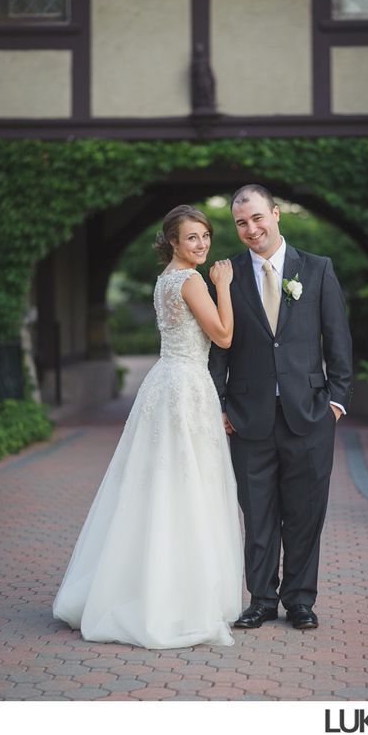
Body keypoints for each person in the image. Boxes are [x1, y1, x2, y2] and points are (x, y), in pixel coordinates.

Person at [52, 205, 243, 648]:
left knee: (153, 484)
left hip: (166, 382)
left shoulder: (165, 281)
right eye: (191, 237)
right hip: (185, 387)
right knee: (186, 485)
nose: (201, 244)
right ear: (172, 242)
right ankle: (176, 596)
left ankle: (142, 584)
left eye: (205, 236)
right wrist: (225, 285)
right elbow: (224, 336)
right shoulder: (192, 280)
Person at [209, 184, 353, 631]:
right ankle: (262, 600)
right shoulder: (225, 275)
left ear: (275, 214)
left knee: (306, 513)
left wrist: (337, 401)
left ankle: (300, 600)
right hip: (248, 417)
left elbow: (339, 338)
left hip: (309, 414)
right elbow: (217, 348)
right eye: (240, 223)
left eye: (256, 218)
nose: (250, 229)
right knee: (258, 514)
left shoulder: (317, 269)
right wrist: (220, 405)